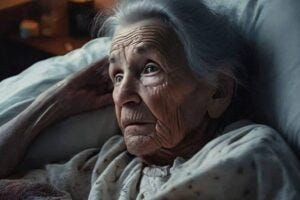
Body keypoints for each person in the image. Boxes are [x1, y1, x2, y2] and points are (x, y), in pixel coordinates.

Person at [1, 0, 300, 199]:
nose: (122, 94)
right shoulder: (113, 161)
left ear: (218, 92)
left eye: (149, 68)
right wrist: (55, 101)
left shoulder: (247, 153)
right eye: (117, 75)